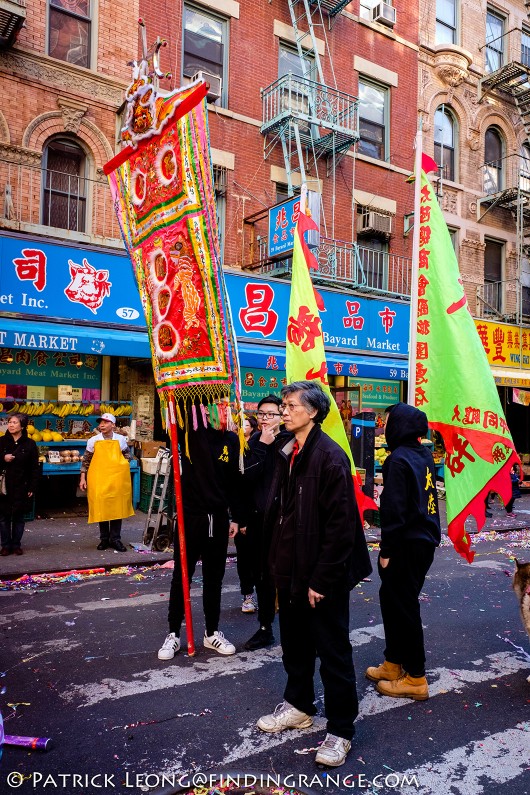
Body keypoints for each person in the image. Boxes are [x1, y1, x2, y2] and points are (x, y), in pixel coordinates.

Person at [257, 381, 371, 768]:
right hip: (289, 571)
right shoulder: (287, 451)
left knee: (333, 652)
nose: (283, 412)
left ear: (313, 412)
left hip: (323, 577)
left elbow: (341, 529)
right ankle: (298, 705)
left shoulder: (330, 457)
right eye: (283, 406)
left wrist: (321, 581)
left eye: (290, 406)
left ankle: (341, 730)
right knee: (295, 646)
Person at [366, 402, 441, 701]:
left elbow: (394, 510)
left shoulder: (397, 460)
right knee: (393, 600)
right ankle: (393, 662)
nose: (385, 426)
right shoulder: (422, 454)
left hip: (407, 544)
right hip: (423, 540)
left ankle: (416, 677)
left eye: (388, 422)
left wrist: (387, 550)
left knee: (404, 606)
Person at [158, 407, 243, 659]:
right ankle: (173, 634)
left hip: (217, 519)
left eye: (226, 405)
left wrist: (235, 517)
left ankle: (212, 632)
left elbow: (235, 481)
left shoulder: (232, 440)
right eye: (216, 405)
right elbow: (173, 420)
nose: (223, 410)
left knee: (214, 578)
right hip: (190, 518)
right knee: (181, 577)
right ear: (204, 410)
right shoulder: (190, 434)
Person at [241, 394, 290, 650]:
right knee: (262, 575)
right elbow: (245, 478)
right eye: (261, 414)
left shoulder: (289, 443)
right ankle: (265, 627)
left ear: (282, 416)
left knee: (282, 574)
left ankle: (293, 630)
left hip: (283, 522)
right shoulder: (252, 443)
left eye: (271, 414)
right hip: (258, 521)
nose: (265, 419)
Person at [79, 413, 133, 552]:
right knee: (101, 508)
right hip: (98, 478)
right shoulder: (93, 440)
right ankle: (104, 539)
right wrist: (83, 478)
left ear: (113, 425)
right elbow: (86, 460)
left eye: (106, 422)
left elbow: (128, 456)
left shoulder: (120, 439)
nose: (102, 425)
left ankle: (115, 539)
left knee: (116, 508)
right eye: (101, 422)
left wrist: (118, 468)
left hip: (116, 479)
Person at [0, 413, 40, 556]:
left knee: (18, 517)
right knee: (3, 517)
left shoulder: (30, 444)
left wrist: (32, 487)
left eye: (14, 422)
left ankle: (16, 544)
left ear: (22, 426)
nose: (10, 425)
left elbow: (34, 468)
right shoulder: (2, 441)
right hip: (4, 486)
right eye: (9, 422)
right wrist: (3, 458)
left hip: (21, 485)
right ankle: (5, 545)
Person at [236, 413, 259, 614]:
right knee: (245, 558)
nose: (241, 426)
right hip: (243, 512)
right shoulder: (235, 445)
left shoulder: (262, 445)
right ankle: (247, 596)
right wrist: (240, 519)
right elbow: (238, 487)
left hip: (261, 514)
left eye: (244, 422)